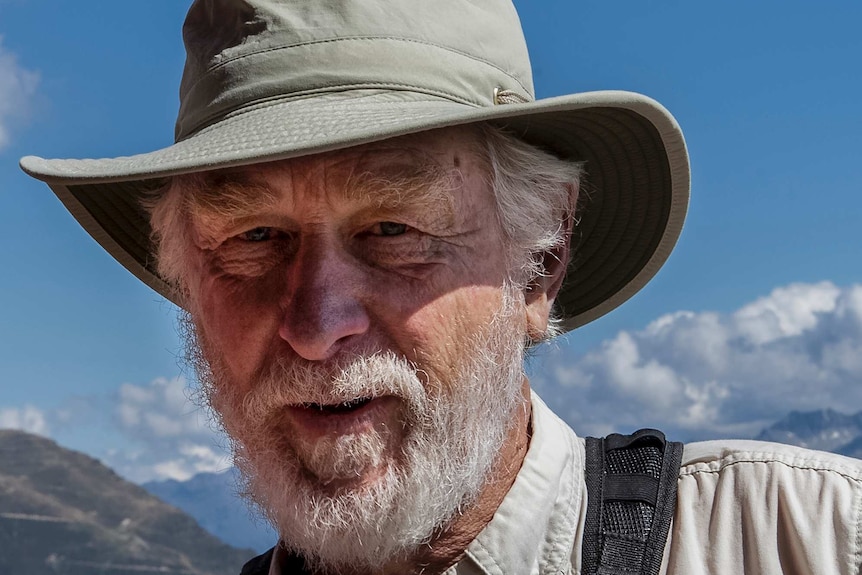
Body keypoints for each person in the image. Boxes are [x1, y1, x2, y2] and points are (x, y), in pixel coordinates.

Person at [21, 1, 862, 574]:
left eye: (394, 229)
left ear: (542, 261)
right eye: (255, 238)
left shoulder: (808, 540)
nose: (317, 324)